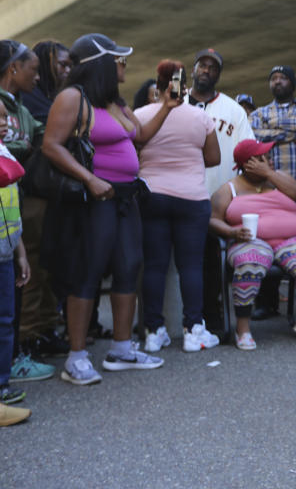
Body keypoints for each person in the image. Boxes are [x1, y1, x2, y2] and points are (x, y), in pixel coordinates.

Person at [43, 33, 176, 384]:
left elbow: (141, 136)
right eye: (119, 60)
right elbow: (52, 145)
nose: (124, 66)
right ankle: (76, 357)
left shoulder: (113, 102)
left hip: (126, 197)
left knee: (128, 266)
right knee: (88, 271)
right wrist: (89, 179)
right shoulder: (73, 98)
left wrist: (167, 106)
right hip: (96, 198)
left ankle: (120, 349)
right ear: (100, 64)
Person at [135, 60, 221, 353]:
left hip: (152, 196)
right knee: (191, 266)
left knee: (155, 266)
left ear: (156, 84)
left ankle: (154, 331)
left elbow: (133, 153)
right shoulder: (200, 117)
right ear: (183, 86)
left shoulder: (139, 115)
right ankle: (193, 330)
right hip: (192, 199)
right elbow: (213, 158)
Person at [209, 139, 296, 348]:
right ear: (248, 163)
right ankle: (242, 329)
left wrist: (270, 174)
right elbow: (213, 219)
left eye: (269, 158)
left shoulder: (278, 179)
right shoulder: (229, 189)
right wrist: (231, 231)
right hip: (250, 240)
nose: (270, 161)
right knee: (249, 261)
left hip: (290, 239)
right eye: (264, 158)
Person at [187, 48, 255, 333]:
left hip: (216, 199)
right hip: (180, 194)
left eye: (213, 67)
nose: (206, 70)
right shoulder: (175, 103)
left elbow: (247, 152)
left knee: (209, 262)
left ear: (218, 74)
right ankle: (169, 321)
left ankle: (211, 320)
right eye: (202, 65)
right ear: (193, 70)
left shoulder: (233, 109)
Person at [250, 65, 296, 319]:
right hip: (272, 194)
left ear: (292, 83)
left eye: (283, 78)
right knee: (269, 243)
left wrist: (275, 131)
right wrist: (294, 136)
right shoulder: (260, 113)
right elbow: (253, 134)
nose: (278, 82)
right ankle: (266, 302)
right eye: (274, 79)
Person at [0, 41, 57, 384]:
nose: (38, 77)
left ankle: (10, 368)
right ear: (13, 70)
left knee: (12, 303)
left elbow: (41, 138)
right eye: (32, 70)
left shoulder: (20, 108)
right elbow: (20, 148)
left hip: (10, 224)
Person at [0, 100, 31, 412]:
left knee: (6, 322)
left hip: (7, 254)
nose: (4, 122)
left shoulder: (5, 153)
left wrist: (20, 252)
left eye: (5, 116)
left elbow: (13, 212)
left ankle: (3, 385)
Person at [22, 40, 71, 124]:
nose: (68, 70)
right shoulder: (26, 95)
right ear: (45, 63)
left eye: (70, 66)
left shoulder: (58, 95)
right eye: (63, 64)